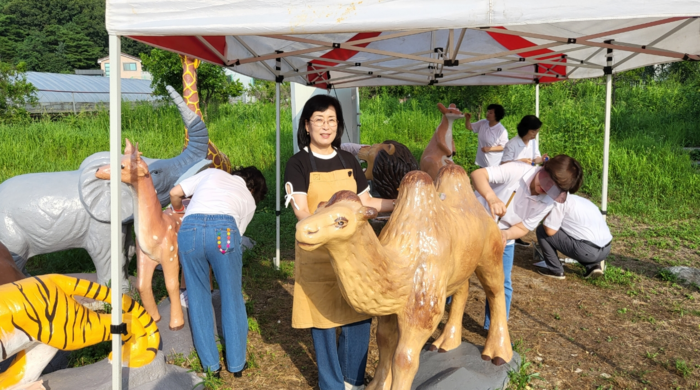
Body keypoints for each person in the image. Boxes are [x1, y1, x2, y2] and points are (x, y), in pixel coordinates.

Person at [284, 94, 395, 390]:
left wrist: (402, 202)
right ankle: (332, 385)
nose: (325, 126)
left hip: (353, 258)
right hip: (317, 257)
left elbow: (366, 201)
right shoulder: (298, 163)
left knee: (358, 313)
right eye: (319, 120)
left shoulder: (348, 160)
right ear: (307, 125)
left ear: (338, 125)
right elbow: (302, 211)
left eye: (331, 120)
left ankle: (353, 381)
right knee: (322, 322)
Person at [170, 166, 268, 377]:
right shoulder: (249, 202)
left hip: (190, 231)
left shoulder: (212, 173)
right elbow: (237, 235)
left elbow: (174, 193)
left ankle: (211, 366)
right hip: (223, 233)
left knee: (197, 297)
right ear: (255, 190)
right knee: (231, 296)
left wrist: (179, 210)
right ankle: (236, 364)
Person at [470, 154, 583, 329]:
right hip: (473, 223)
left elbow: (523, 228)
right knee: (457, 272)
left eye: (551, 191)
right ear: (544, 169)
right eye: (545, 184)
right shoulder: (517, 170)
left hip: (501, 237)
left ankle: (496, 330)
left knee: (502, 285)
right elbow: (478, 175)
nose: (543, 191)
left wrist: (506, 235)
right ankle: (445, 303)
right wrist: (491, 198)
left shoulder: (548, 202)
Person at [535, 194, 612, 279]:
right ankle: (593, 266)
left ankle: (555, 270)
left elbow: (549, 231)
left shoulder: (559, 202)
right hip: (606, 250)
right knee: (577, 234)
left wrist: (545, 216)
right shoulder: (584, 201)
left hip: (586, 250)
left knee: (542, 230)